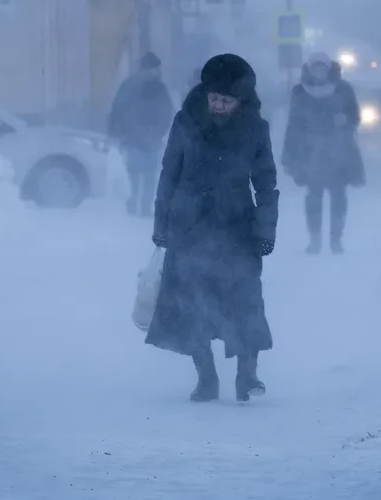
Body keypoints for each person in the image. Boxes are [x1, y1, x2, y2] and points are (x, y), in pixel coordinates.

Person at [145, 53, 279, 403]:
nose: (218, 105)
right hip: (189, 227)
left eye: (226, 101)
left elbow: (266, 184)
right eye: (214, 98)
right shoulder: (185, 121)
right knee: (192, 304)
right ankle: (206, 377)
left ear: (240, 101)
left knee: (245, 303)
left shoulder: (255, 129)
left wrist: (265, 231)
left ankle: (247, 375)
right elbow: (168, 175)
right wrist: (161, 224)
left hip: (237, 230)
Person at [281, 52, 365, 254]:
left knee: (338, 196)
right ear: (309, 69)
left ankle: (336, 240)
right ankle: (315, 240)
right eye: (315, 67)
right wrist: (290, 152)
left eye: (323, 67)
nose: (319, 71)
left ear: (329, 69)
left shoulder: (343, 89)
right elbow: (294, 122)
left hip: (339, 150)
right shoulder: (300, 91)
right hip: (311, 152)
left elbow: (355, 115)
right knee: (314, 196)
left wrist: (346, 119)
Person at [107, 52, 174, 217]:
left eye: (157, 69)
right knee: (137, 172)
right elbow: (118, 109)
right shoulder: (132, 86)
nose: (157, 72)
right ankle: (135, 201)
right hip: (134, 136)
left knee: (147, 172)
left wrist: (158, 132)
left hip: (148, 136)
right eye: (154, 68)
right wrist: (116, 131)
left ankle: (143, 205)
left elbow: (167, 112)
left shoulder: (158, 87)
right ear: (146, 69)